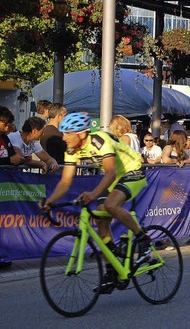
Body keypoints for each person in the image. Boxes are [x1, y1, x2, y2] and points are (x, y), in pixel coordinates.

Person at [41, 112, 150, 293]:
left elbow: (110, 172)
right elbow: (65, 181)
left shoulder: (99, 140)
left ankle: (143, 239)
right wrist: (50, 201)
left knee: (110, 205)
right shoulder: (72, 149)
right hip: (115, 177)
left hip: (132, 172)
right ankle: (111, 272)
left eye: (68, 133)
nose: (64, 137)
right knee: (100, 218)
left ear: (81, 134)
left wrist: (93, 193)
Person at [0, 106, 16, 268]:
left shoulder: (6, 138)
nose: (7, 128)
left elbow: (12, 156)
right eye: (4, 124)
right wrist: (9, 162)